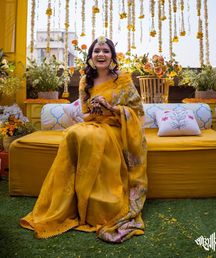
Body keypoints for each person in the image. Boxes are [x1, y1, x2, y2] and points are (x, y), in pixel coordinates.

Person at [20, 36, 147, 243]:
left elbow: (137, 111)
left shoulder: (123, 79)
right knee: (74, 133)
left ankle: (101, 207)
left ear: (112, 56)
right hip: (95, 124)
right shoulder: (84, 81)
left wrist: (111, 108)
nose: (101, 54)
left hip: (116, 128)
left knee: (89, 136)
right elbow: (86, 115)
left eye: (105, 51)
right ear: (90, 57)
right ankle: (69, 204)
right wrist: (96, 109)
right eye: (96, 51)